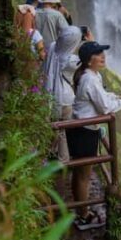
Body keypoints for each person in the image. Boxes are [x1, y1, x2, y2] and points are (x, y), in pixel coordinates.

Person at [68, 41, 121, 230]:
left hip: (83, 129)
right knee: (83, 175)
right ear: (88, 60)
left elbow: (102, 97)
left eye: (103, 53)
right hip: (84, 131)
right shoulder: (90, 79)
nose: (103, 57)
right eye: (98, 54)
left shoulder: (90, 75)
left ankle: (81, 212)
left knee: (80, 173)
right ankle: (83, 218)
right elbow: (105, 107)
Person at [42, 25, 83, 164]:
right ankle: (63, 160)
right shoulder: (72, 61)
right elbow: (88, 58)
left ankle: (48, 154)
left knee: (54, 127)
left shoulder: (53, 47)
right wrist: (89, 40)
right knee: (64, 131)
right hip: (66, 99)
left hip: (50, 95)